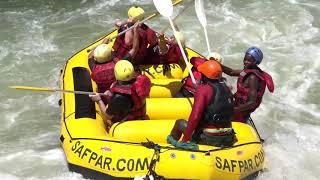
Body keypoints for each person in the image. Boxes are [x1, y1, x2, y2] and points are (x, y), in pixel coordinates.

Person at [167, 60, 235, 150]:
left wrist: (185, 140)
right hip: (228, 136)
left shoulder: (203, 90)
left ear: (203, 75)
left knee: (180, 123)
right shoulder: (227, 88)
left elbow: (195, 117)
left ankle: (170, 149)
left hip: (209, 138)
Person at [89, 60, 151, 129]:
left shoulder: (120, 98)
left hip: (129, 124)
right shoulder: (141, 80)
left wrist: (99, 100)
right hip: (140, 115)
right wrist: (112, 93)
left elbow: (108, 116)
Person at [89, 24, 140, 103]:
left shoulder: (93, 67)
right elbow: (135, 48)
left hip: (104, 97)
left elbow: (89, 57)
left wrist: (102, 44)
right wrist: (136, 30)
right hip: (118, 95)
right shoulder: (119, 65)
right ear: (110, 56)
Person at [222, 47, 274, 123]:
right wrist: (218, 65)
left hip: (241, 111)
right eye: (245, 59)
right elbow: (231, 72)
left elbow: (252, 102)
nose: (245, 62)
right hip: (237, 104)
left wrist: (234, 110)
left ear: (256, 62)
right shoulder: (246, 71)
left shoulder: (253, 78)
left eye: (249, 61)